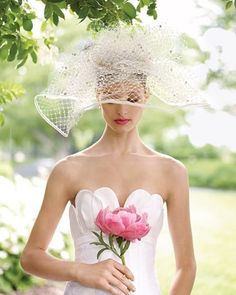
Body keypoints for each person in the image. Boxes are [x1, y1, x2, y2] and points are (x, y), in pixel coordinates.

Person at [20, 23, 206, 295]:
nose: (122, 109)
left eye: (132, 98)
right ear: (97, 97)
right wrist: (81, 270)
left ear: (146, 96)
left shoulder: (172, 172)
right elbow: (31, 257)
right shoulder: (68, 170)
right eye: (110, 97)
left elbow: (186, 266)